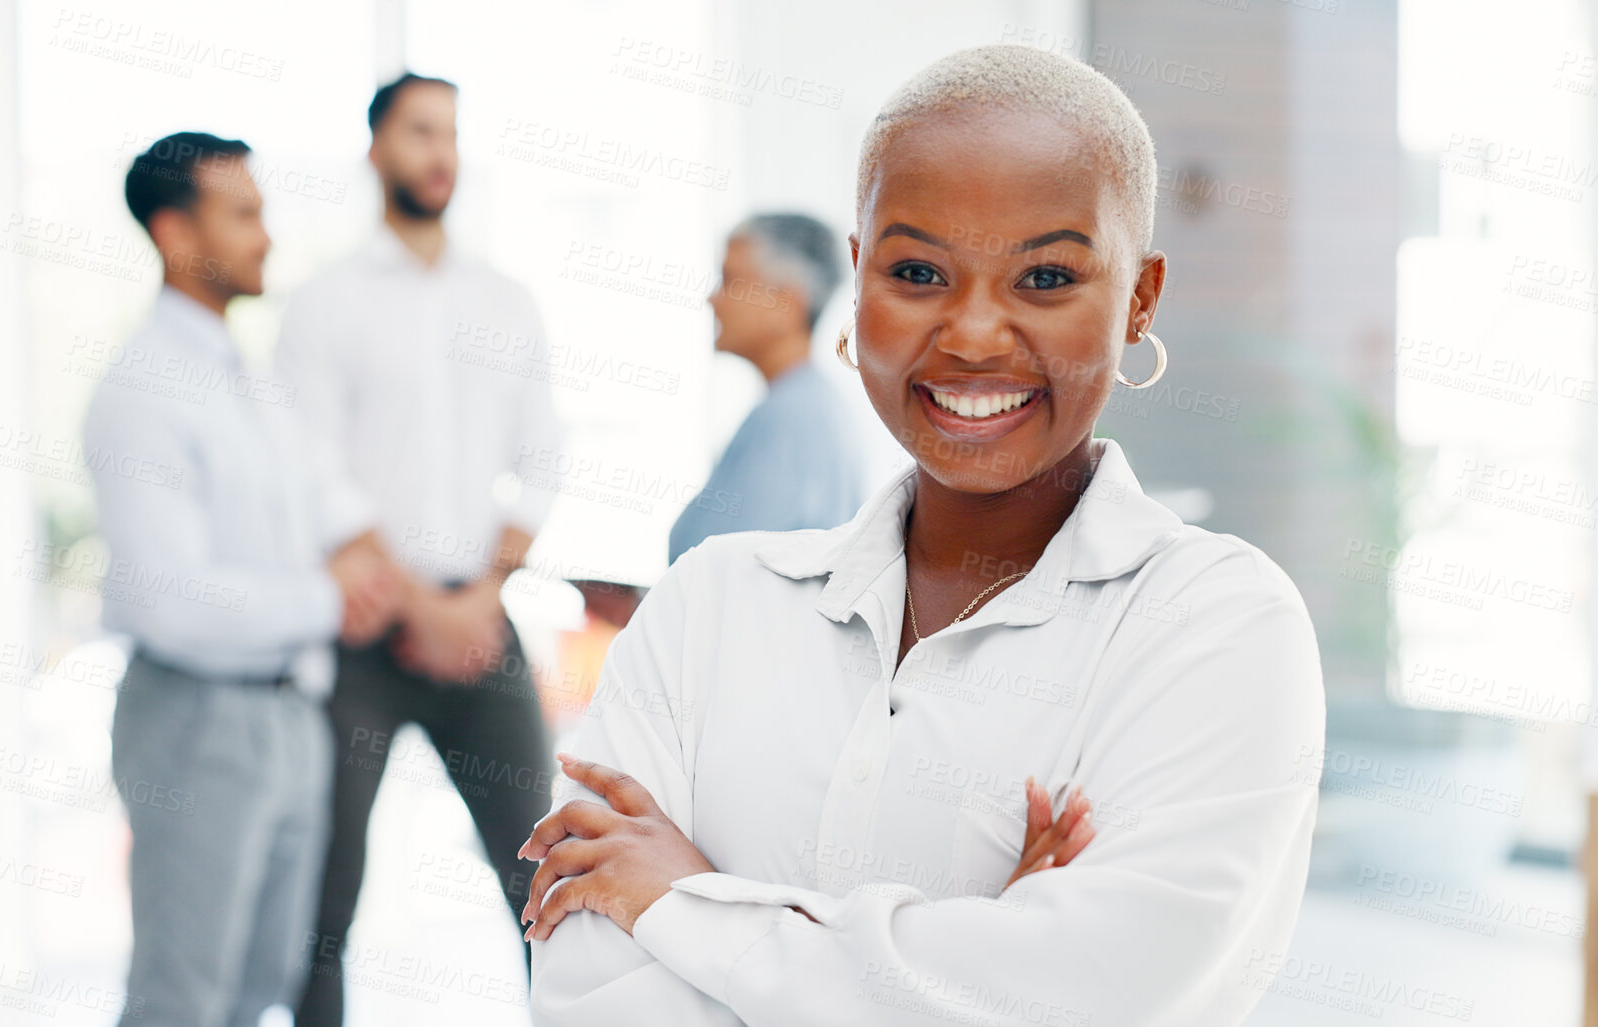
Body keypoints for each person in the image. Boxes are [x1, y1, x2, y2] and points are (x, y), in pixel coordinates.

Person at [520, 44, 1325, 1027]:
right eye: (917, 270)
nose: (976, 334)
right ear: (858, 282)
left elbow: (1090, 997)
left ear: (1139, 299)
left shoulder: (1215, 625)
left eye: (1046, 276)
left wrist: (687, 905)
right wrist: (971, 953)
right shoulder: (709, 605)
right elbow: (587, 990)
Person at [84, 131, 406, 1027]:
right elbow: (172, 601)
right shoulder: (141, 389)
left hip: (289, 714)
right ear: (174, 233)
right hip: (198, 718)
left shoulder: (247, 382)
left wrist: (345, 575)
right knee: (182, 998)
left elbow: (327, 512)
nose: (266, 236)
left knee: (257, 988)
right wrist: (329, 596)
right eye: (244, 215)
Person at [274, 73, 565, 1025]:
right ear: (375, 151)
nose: (439, 152)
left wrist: (477, 595)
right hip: (364, 631)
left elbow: (541, 461)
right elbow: (309, 467)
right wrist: (414, 605)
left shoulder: (507, 299)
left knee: (546, 879)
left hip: (482, 619)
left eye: (450, 133)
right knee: (324, 893)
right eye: (417, 132)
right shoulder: (325, 302)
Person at [667, 213, 865, 566]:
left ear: (787, 302)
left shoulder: (789, 420)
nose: (712, 300)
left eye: (730, 281)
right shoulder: (810, 405)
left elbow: (717, 571)